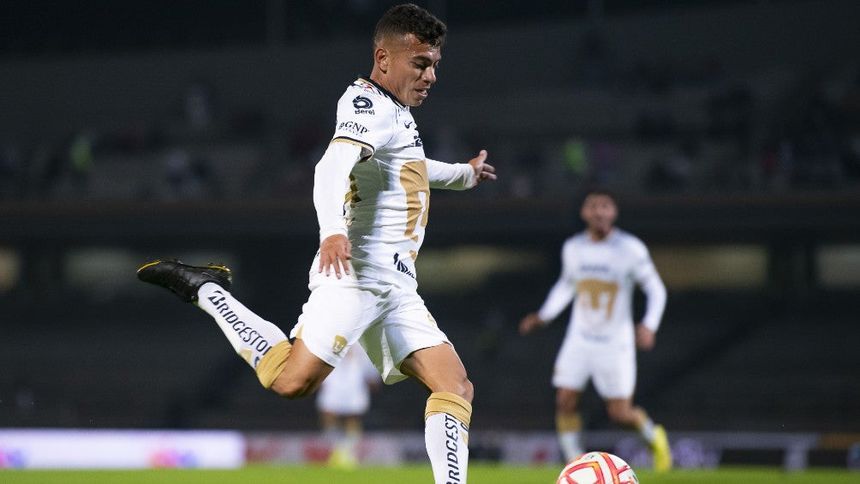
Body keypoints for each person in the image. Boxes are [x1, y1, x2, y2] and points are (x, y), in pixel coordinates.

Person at [136, 4, 496, 483]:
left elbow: (410, 168)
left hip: (397, 287)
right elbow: (329, 168)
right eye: (420, 63)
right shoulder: (366, 105)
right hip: (356, 277)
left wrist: (464, 175)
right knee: (290, 381)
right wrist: (332, 231)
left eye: (434, 64)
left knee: (455, 385)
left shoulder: (398, 112)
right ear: (383, 58)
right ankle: (207, 291)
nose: (430, 76)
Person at [518, 189, 672, 471]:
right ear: (584, 212)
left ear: (614, 212)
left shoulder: (630, 249)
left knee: (620, 413)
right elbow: (567, 285)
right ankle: (575, 463)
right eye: (593, 206)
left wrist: (649, 325)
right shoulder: (573, 248)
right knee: (565, 400)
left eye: (605, 206)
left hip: (615, 342)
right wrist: (544, 316)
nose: (599, 212)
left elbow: (656, 289)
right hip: (579, 339)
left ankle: (654, 437)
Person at [316, 345, 379, 469]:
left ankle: (348, 453)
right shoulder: (330, 340)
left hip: (354, 384)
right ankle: (335, 451)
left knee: (352, 419)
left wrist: (371, 381)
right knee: (329, 416)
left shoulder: (363, 345)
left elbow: (371, 372)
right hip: (333, 383)